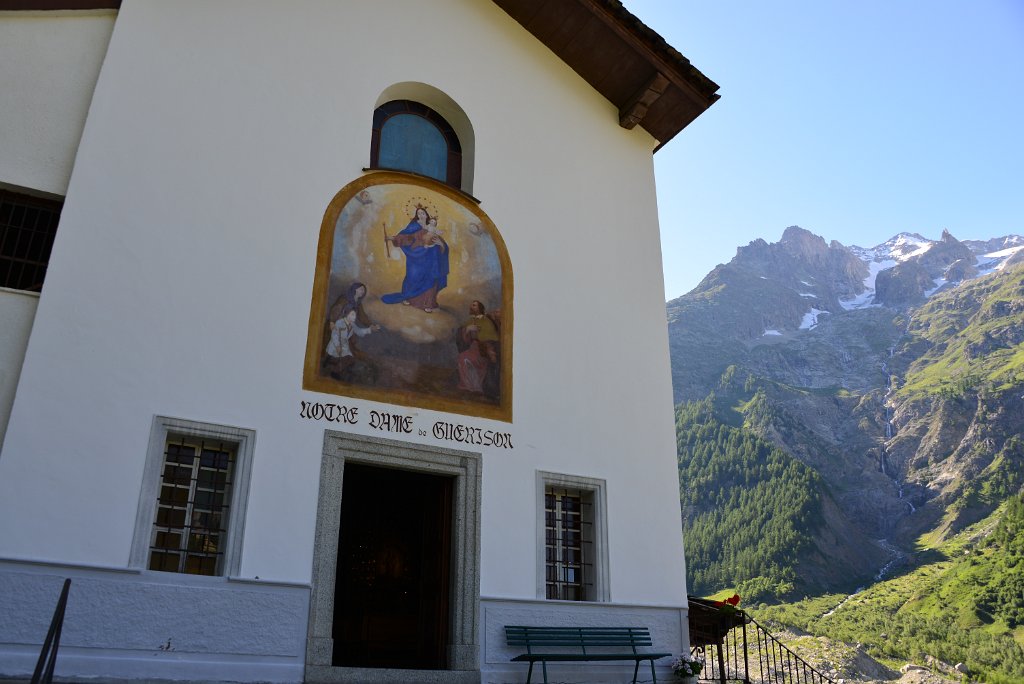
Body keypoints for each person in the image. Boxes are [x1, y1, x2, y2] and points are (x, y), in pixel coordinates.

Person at [381, 205, 449, 312]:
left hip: (430, 258)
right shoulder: (414, 226)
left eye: (423, 213)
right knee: (412, 276)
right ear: (416, 216)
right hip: (416, 257)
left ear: (427, 215)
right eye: (419, 213)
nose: (421, 215)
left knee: (430, 278)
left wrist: (441, 244)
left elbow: (441, 244)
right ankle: (409, 297)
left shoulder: (431, 227)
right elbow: (406, 237)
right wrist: (392, 238)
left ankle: (428, 304)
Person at [325, 305, 379, 383]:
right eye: (352, 314)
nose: (355, 317)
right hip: (336, 344)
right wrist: (337, 346)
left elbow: (359, 332)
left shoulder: (352, 325)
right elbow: (335, 335)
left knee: (350, 359)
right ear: (347, 314)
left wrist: (370, 329)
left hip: (345, 345)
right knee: (347, 359)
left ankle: (335, 368)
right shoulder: (340, 322)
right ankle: (334, 372)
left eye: (355, 315)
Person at [455, 300, 499, 394]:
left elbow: (492, 337)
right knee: (462, 357)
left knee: (467, 359)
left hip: (484, 349)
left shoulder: (486, 321)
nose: (471, 307)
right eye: (471, 305)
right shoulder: (470, 320)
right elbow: (462, 334)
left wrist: (479, 336)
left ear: (480, 308)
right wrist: (467, 329)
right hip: (473, 348)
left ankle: (476, 386)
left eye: (474, 305)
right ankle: (467, 385)